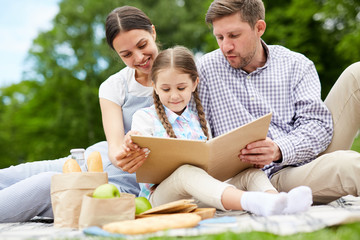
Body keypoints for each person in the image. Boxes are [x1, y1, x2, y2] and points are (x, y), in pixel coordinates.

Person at [0, 6, 157, 222]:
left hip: (119, 184)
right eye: (126, 54)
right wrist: (125, 152)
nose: (139, 57)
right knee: (11, 175)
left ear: (153, 33)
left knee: (47, 184)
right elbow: (115, 149)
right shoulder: (114, 86)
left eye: (142, 45)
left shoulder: (182, 76)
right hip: (93, 160)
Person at [195, 0, 360, 204]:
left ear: (259, 28)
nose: (225, 46)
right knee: (350, 165)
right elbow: (182, 125)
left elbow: (318, 126)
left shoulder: (296, 64)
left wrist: (279, 149)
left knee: (357, 73)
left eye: (234, 35)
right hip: (265, 179)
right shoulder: (203, 71)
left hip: (307, 159)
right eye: (219, 37)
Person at [122, 45, 313, 216]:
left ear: (194, 84)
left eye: (181, 88)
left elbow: (212, 162)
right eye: (165, 89)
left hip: (199, 196)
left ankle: (277, 202)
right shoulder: (144, 117)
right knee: (185, 172)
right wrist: (133, 142)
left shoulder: (199, 119)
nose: (174, 96)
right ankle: (254, 202)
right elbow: (138, 142)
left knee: (251, 173)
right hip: (161, 199)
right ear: (154, 87)